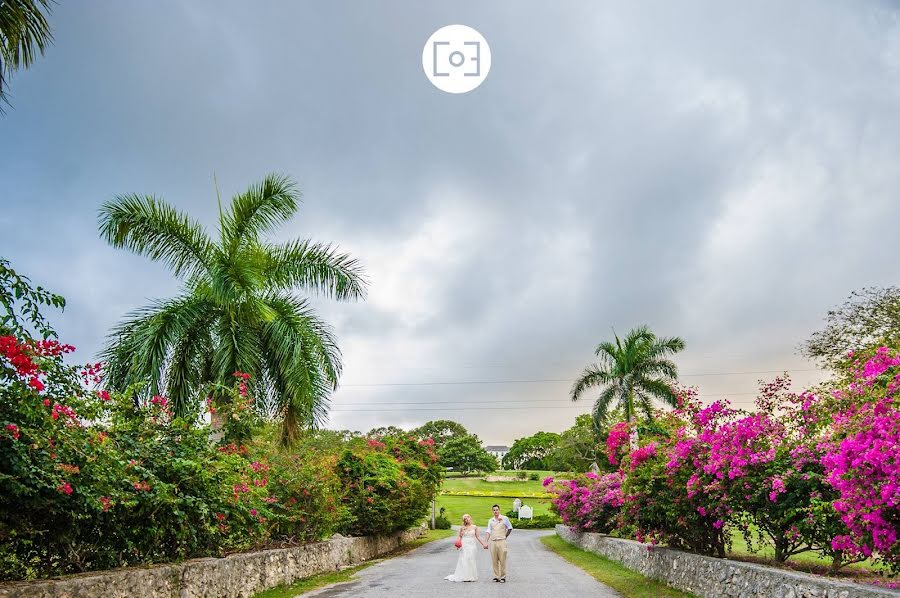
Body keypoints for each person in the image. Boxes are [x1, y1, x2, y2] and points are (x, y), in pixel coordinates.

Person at [444, 514, 487, 582]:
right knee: (464, 559)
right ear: (464, 520)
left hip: (472, 545)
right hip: (464, 545)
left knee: (471, 559)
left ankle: (470, 576)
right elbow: (459, 537)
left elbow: (478, 537)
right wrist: (458, 544)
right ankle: (464, 576)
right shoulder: (462, 528)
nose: (467, 520)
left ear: (471, 518)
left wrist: (484, 544)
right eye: (465, 519)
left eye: (468, 518)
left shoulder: (475, 527)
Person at [484, 503, 513, 583]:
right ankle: (496, 576)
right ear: (492, 511)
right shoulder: (490, 520)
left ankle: (503, 576)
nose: (495, 511)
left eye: (497, 510)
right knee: (494, 560)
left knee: (502, 559)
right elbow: (488, 531)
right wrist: (486, 541)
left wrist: (505, 536)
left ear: (499, 510)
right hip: (493, 541)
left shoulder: (505, 518)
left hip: (502, 541)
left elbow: (510, 528)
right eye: (494, 510)